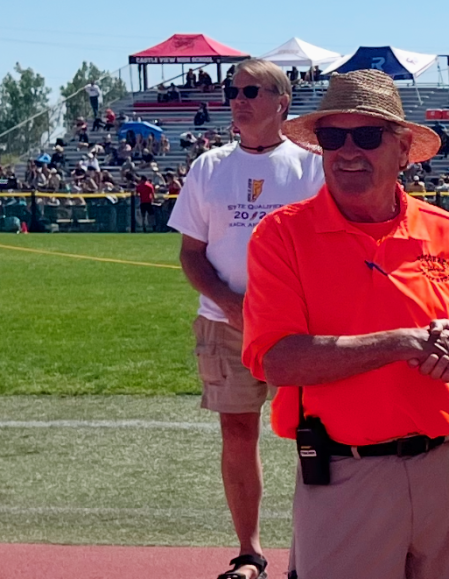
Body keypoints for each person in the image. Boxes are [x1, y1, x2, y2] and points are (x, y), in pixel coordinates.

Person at [241, 69, 449, 579]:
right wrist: (403, 342)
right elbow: (278, 360)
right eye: (334, 137)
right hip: (344, 477)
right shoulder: (282, 237)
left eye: (367, 135)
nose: (348, 151)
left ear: (402, 150)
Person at [166, 59, 324, 579]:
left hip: (301, 325)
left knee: (316, 436)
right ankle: (250, 552)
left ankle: (315, 553)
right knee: (237, 433)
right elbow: (192, 254)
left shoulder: (312, 165)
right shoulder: (209, 167)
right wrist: (230, 302)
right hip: (223, 321)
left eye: (251, 90)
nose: (238, 98)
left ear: (282, 102)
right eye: (232, 90)